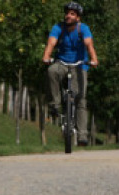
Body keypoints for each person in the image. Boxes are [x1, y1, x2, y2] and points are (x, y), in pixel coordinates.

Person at [42, 2, 98, 146]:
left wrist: (94, 59)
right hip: (61, 63)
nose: (68, 16)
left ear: (78, 17)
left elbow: (89, 44)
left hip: (80, 65)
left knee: (80, 99)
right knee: (51, 71)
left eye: (72, 14)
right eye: (67, 13)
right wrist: (46, 57)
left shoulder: (83, 29)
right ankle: (55, 104)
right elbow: (51, 44)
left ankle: (82, 136)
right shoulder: (58, 28)